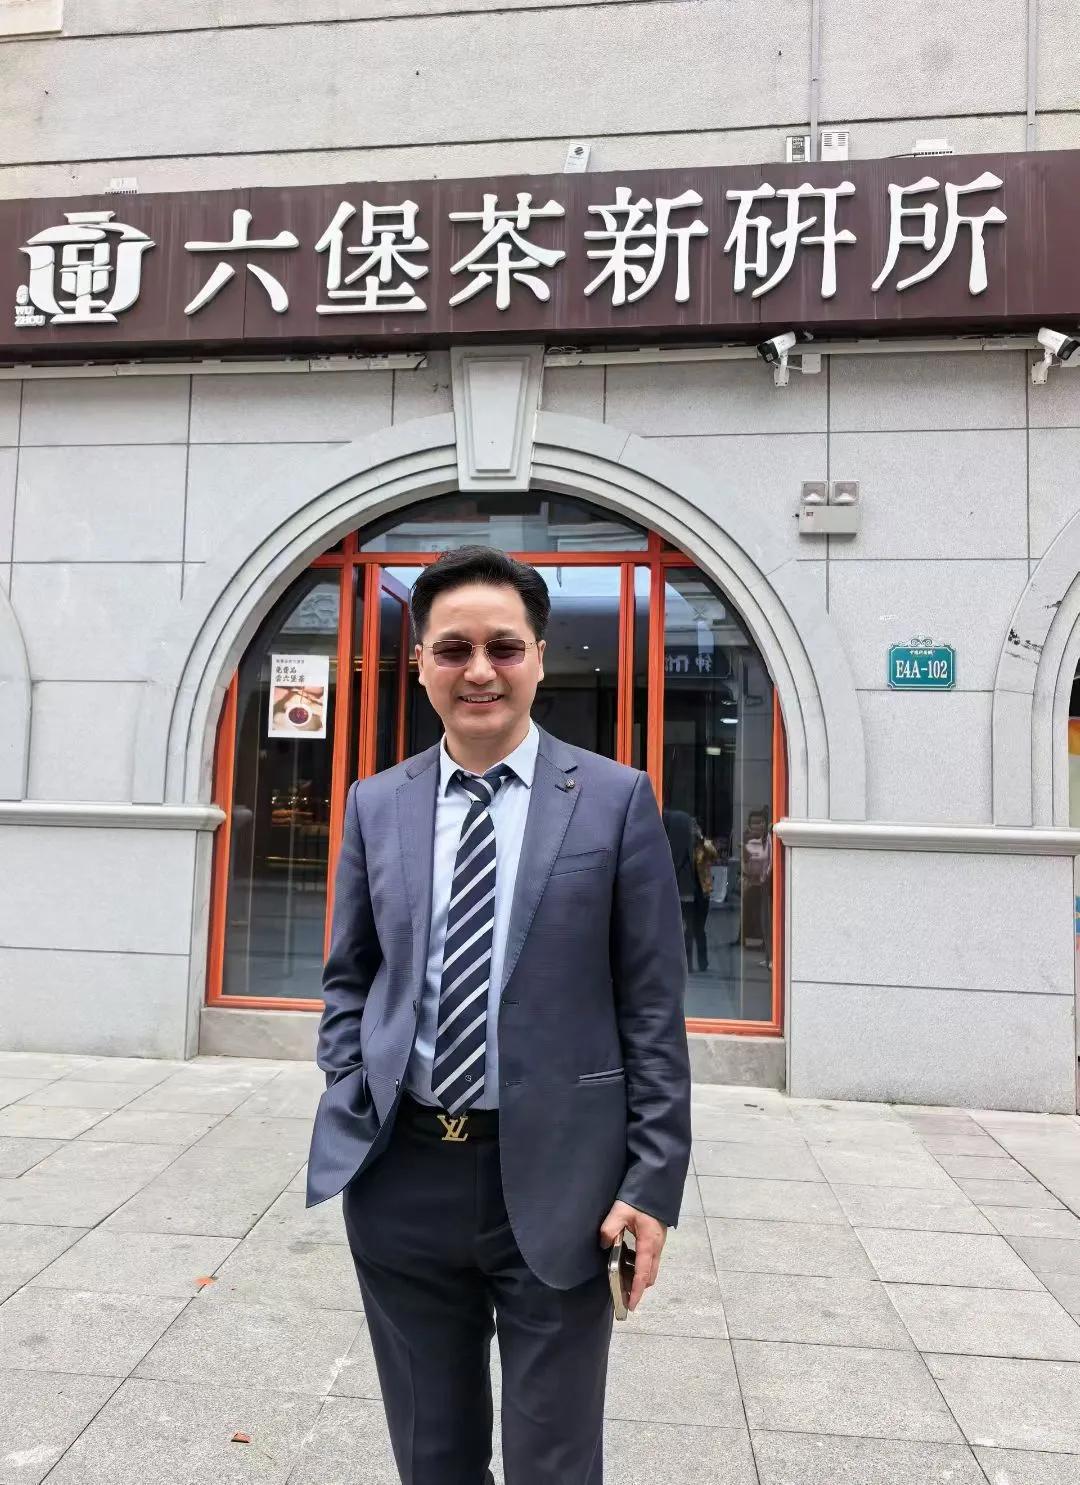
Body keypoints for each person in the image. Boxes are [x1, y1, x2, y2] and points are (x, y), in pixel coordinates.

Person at [305, 545, 692, 1485]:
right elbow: (351, 975)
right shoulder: (375, 803)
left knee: (555, 1462)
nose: (479, 669)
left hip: (564, 1182)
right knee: (432, 1457)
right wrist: (353, 1082)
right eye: (454, 648)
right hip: (403, 1177)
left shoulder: (614, 799)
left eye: (503, 647)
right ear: (421, 664)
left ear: (539, 658)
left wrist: (652, 1180)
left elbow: (652, 1006)